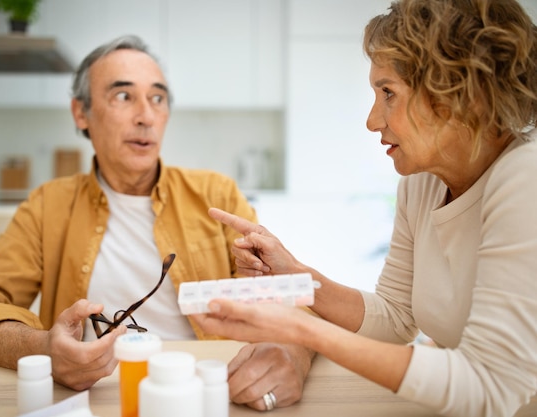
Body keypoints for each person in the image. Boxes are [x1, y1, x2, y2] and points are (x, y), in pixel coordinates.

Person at [0, 35, 314, 411]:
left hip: (202, 395)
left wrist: (293, 354)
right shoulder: (49, 205)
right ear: (81, 113)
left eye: (158, 98)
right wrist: (41, 347)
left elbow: (294, 299)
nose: (146, 116)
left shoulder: (217, 194)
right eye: (123, 96)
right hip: (92, 400)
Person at [192, 1, 537, 416]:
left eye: (389, 93)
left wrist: (302, 329)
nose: (373, 120)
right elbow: (395, 318)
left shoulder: (526, 177)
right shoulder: (421, 184)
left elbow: (490, 383)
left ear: (463, 93)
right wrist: (297, 277)